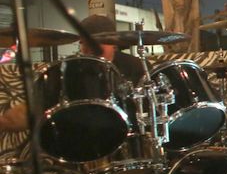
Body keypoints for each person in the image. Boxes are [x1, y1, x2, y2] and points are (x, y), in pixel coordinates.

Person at [0, 14, 146, 132]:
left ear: (114, 43)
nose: (88, 49)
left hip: (128, 143)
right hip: (79, 143)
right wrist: (5, 121)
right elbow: (34, 107)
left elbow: (150, 108)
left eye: (96, 42)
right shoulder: (69, 69)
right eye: (84, 43)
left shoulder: (135, 66)